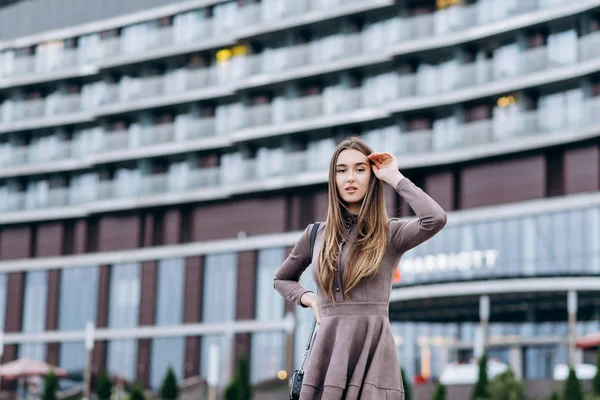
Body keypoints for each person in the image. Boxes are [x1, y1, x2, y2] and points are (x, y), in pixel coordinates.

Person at [273, 136, 447, 399]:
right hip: (327, 354)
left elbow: (435, 219)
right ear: (333, 179)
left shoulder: (390, 233)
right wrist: (310, 299)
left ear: (372, 177)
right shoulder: (315, 234)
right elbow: (282, 278)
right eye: (341, 171)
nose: (350, 178)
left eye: (359, 169)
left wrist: (394, 176)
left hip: (373, 351)